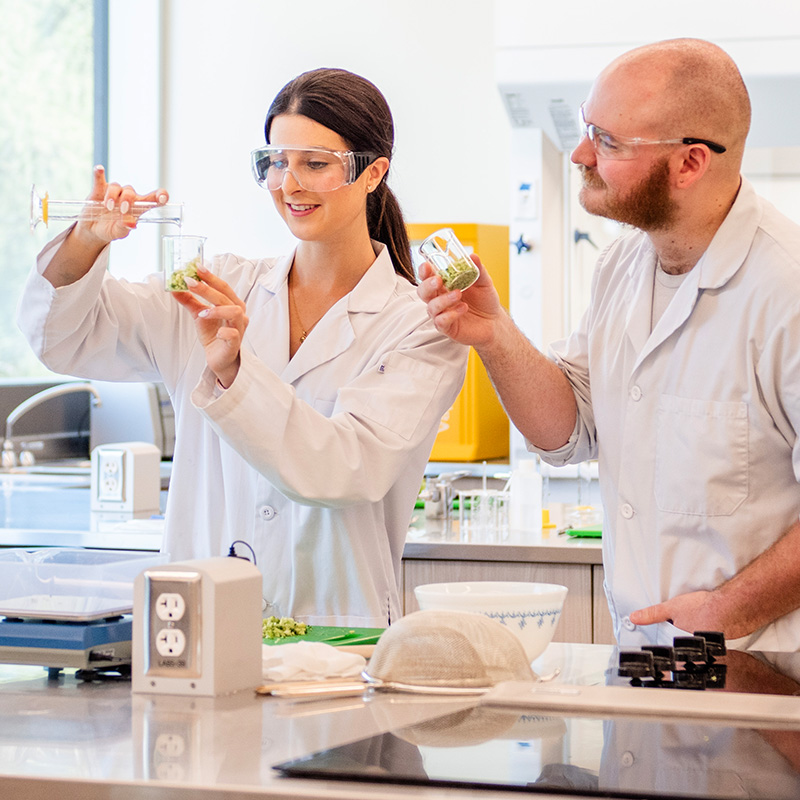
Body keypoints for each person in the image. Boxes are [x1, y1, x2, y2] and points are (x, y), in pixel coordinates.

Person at [18, 67, 468, 628]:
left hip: (335, 630)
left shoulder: (421, 325)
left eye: (315, 163)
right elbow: (64, 338)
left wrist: (235, 372)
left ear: (373, 172)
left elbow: (345, 470)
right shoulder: (211, 291)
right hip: (198, 624)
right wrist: (85, 240)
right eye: (276, 162)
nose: (289, 184)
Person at [418, 38, 800, 650]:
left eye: (608, 142)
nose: (579, 154)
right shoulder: (621, 266)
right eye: (585, 129)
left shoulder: (786, 291)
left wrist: (727, 610)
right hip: (644, 658)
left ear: (690, 163)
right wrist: (492, 332)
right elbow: (565, 435)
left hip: (766, 667)